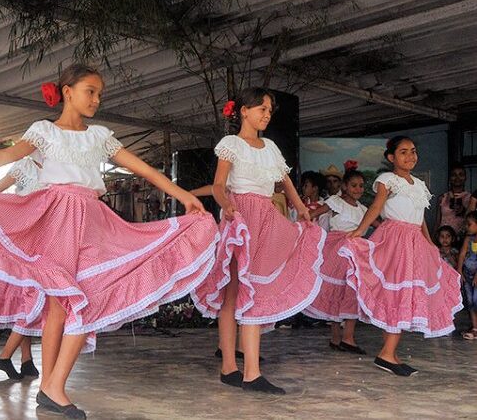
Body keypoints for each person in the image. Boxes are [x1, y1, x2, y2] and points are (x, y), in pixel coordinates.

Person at [0, 63, 219, 419]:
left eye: (99, 93)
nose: (97, 99)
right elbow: (7, 155)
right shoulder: (44, 131)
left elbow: (142, 168)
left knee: (87, 296)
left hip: (92, 220)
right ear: (67, 92)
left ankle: (53, 386)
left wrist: (182, 194)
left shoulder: (99, 135)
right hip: (56, 217)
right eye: (90, 91)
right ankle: (50, 386)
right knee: (58, 304)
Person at [190, 87, 325, 394]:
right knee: (234, 291)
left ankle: (252, 372)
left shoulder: (272, 147)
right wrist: (227, 206)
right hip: (240, 216)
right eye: (261, 109)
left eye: (269, 110)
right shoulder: (231, 144)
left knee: (255, 289)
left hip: (265, 216)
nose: (266, 114)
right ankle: (229, 367)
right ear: (243, 112)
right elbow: (219, 185)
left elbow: (286, 181)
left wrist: (302, 209)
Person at [340, 136, 462, 376]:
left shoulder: (420, 185)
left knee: (404, 295)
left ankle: (390, 353)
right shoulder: (388, 180)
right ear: (391, 157)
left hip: (415, 240)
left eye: (413, 151)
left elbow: (420, 220)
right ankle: (387, 354)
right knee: (399, 294)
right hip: (395, 239)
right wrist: (359, 231)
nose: (410, 156)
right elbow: (376, 207)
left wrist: (430, 245)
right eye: (404, 152)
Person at [0, 155, 43, 380]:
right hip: (23, 239)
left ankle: (26, 360)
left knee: (28, 298)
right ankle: (5, 357)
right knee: (35, 297)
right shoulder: (26, 165)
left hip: (45, 239)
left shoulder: (61, 167)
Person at [305, 163, 376, 354]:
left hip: (355, 250)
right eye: (354, 185)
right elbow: (312, 214)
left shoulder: (363, 209)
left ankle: (345, 337)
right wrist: (303, 230)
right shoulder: (336, 202)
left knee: (351, 290)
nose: (358, 189)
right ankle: (341, 337)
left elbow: (378, 223)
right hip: (337, 249)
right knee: (339, 291)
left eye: (361, 186)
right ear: (344, 186)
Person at [457, 212, 477, 340]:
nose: (467, 227)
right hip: (468, 275)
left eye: (469, 224)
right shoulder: (468, 239)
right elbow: (462, 255)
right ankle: (475, 328)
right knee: (469, 301)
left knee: (476, 301)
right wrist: (459, 270)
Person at [436, 163, 470, 238]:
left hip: (462, 238)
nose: (457, 178)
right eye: (454, 175)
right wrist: (432, 240)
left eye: (461, 174)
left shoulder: (470, 198)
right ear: (450, 178)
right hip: (444, 239)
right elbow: (438, 222)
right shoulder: (442, 198)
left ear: (465, 177)